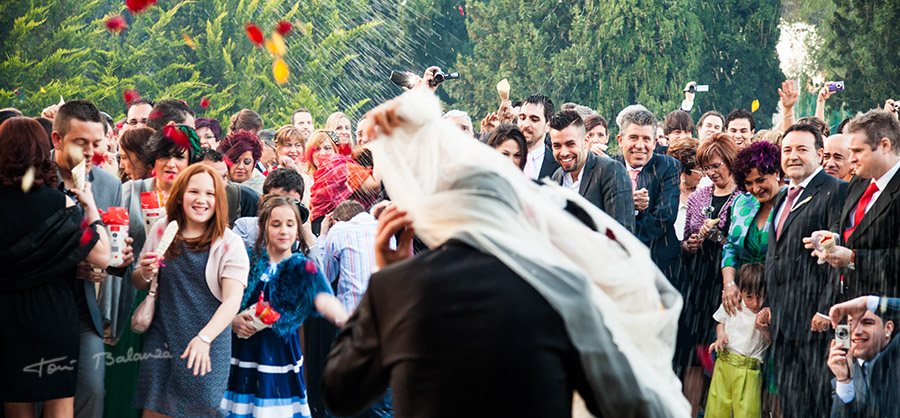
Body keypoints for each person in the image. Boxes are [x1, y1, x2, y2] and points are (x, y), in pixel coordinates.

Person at [322, 87, 690, 417]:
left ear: (440, 209)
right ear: (516, 210)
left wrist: (387, 280)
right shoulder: (563, 288)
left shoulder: (398, 289)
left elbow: (338, 393)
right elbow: (634, 405)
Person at [0, 117, 110, 418]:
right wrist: (91, 209)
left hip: (8, 320)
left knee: (16, 409)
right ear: (41, 150)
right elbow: (102, 256)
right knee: (61, 405)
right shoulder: (60, 203)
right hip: (54, 317)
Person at [132, 164, 249, 417]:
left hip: (207, 345)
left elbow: (232, 300)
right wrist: (145, 271)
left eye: (210, 194)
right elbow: (138, 282)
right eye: (194, 191)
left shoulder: (230, 243)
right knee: (153, 411)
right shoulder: (163, 228)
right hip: (162, 338)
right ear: (181, 194)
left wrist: (204, 338)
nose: (201, 200)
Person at [104, 125, 202, 418]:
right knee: (126, 382)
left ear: (190, 163)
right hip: (133, 297)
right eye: (164, 155)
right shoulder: (130, 191)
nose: (171, 163)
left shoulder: (197, 200)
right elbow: (112, 249)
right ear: (153, 160)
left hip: (178, 306)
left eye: (179, 157)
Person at [51, 100, 130, 418]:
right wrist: (75, 263)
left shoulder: (109, 184)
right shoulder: (35, 180)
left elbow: (110, 247)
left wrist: (120, 259)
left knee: (93, 391)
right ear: (57, 140)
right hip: (40, 306)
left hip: (86, 310)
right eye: (80, 143)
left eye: (97, 144)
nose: (90, 153)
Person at [764, 123, 848, 418]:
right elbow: (775, 256)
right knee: (793, 405)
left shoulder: (836, 191)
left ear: (820, 154)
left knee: (823, 403)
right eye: (787, 150)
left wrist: (827, 309)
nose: (793, 156)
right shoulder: (782, 196)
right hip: (784, 323)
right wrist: (768, 304)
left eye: (802, 149)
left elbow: (839, 256)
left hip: (816, 321)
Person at [222, 195, 332, 418]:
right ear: (263, 227)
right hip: (244, 355)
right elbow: (225, 301)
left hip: (281, 358)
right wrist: (232, 322)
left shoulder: (303, 267)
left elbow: (324, 299)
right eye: (276, 224)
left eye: (291, 224)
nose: (284, 231)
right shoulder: (247, 262)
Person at [812, 110, 900, 329]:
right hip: (847, 310)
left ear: (885, 146)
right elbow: (847, 228)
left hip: (885, 317)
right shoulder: (860, 182)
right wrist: (830, 238)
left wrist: (852, 258)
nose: (851, 159)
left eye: (858, 151)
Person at [676, 133, 739, 415]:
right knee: (691, 355)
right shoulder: (700, 195)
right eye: (707, 167)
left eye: (717, 166)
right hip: (697, 281)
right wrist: (689, 244)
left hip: (725, 282)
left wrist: (720, 237)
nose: (712, 173)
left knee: (720, 355)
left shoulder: (744, 196)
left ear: (730, 162)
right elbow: (688, 235)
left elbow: (742, 243)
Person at [613, 105, 682, 280]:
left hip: (660, 266)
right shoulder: (608, 168)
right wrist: (628, 203)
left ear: (654, 142)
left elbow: (664, 217)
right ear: (620, 140)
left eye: (646, 138)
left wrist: (624, 241)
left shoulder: (668, 166)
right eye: (633, 138)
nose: (640, 145)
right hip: (617, 266)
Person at [721, 141, 783, 311]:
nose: (755, 188)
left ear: (776, 172)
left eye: (760, 180)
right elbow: (730, 247)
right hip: (744, 294)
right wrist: (729, 285)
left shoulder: (791, 202)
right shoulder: (742, 202)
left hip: (778, 295)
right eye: (749, 183)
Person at [548, 110, 635, 231]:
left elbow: (623, 231)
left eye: (570, 144)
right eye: (557, 146)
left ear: (586, 141)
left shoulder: (611, 171)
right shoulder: (556, 177)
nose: (564, 152)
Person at [705, 263, 770, 418]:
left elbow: (772, 339)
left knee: (748, 412)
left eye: (760, 296)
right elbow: (720, 320)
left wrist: (764, 328)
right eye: (749, 296)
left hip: (749, 370)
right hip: (724, 364)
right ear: (740, 291)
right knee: (717, 409)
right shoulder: (733, 303)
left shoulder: (766, 313)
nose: (755, 303)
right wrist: (720, 336)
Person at [827, 307, 899, 417]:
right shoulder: (838, 382)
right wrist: (844, 381)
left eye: (867, 323)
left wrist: (870, 301)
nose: (856, 331)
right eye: (851, 324)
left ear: (888, 328)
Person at [233, 168, 312, 252]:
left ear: (300, 203)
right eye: (277, 200)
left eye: (292, 202)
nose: (283, 207)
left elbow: (317, 264)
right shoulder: (246, 228)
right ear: (263, 200)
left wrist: (308, 242)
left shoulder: (304, 232)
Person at [197, 148, 261, 227]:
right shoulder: (182, 196)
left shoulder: (233, 194)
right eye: (213, 176)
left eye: (224, 176)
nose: (221, 183)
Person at [666, 137, 702, 241]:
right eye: (699, 171)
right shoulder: (666, 195)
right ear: (682, 171)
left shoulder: (704, 193)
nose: (703, 175)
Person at [518, 94, 560, 180]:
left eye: (534, 120)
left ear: (548, 126)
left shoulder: (558, 166)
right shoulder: (505, 158)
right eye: (522, 118)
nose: (526, 125)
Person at [273, 125, 312, 205]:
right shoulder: (274, 175)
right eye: (288, 145)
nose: (293, 150)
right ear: (278, 148)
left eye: (298, 145)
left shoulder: (311, 171)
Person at [220, 130, 265, 194]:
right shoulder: (216, 182)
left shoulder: (263, 188)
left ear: (254, 164)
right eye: (235, 161)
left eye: (247, 162)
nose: (241, 167)